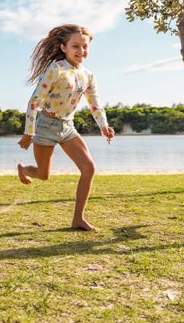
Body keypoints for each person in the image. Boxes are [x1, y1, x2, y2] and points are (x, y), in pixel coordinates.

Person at [17, 24, 115, 231]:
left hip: (68, 126)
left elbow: (95, 104)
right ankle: (24, 169)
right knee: (43, 175)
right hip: (45, 125)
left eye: (85, 47)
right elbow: (34, 101)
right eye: (75, 46)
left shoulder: (88, 75)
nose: (81, 51)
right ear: (64, 47)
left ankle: (78, 218)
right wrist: (29, 132)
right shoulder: (56, 69)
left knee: (89, 168)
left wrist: (104, 126)